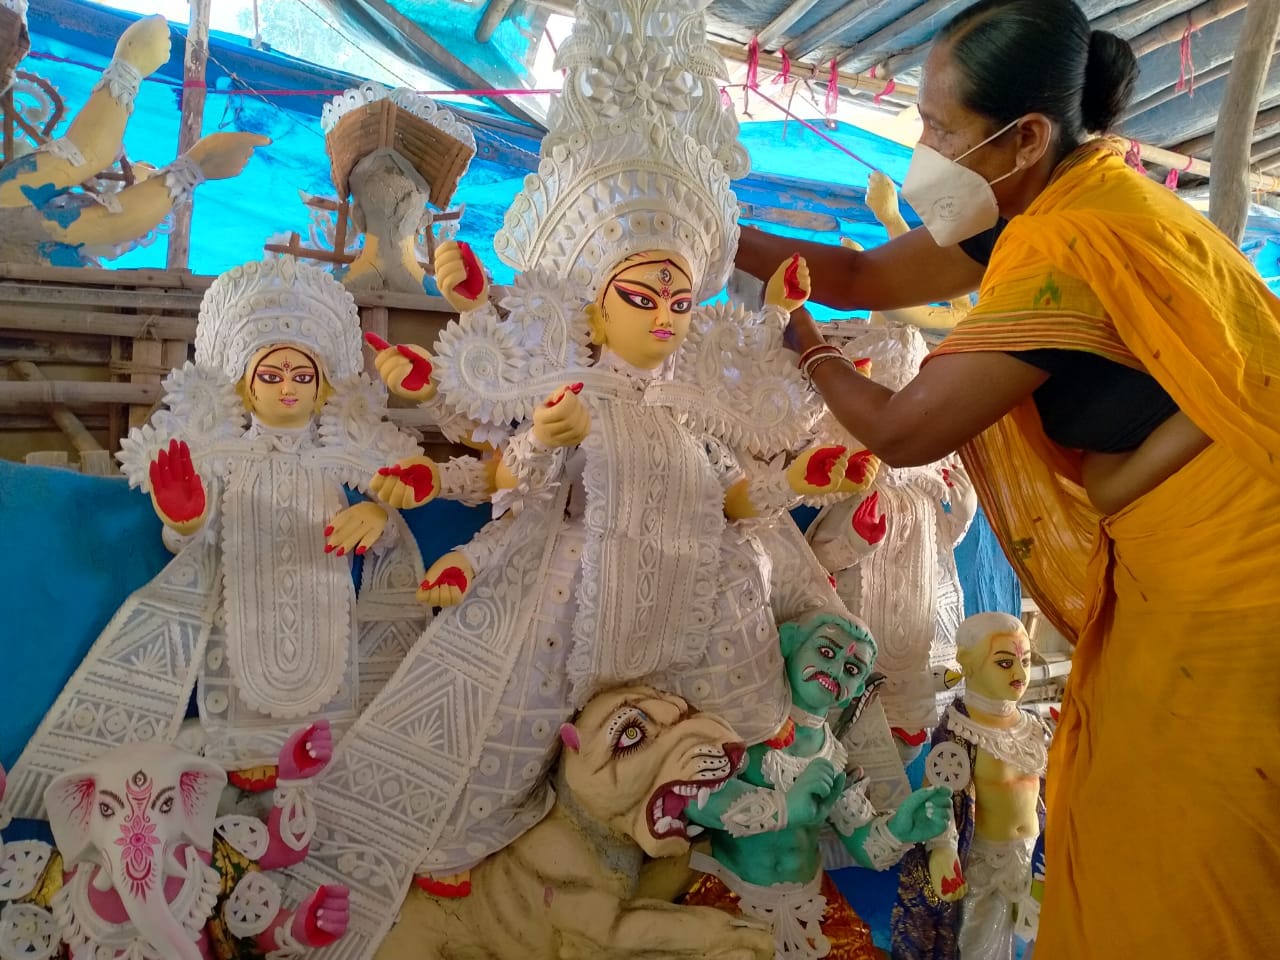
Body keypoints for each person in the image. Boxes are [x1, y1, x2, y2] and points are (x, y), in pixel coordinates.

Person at [734, 1, 1280, 956]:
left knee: (1184, 854)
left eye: (941, 127)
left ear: (1025, 137)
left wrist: (807, 346)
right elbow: (860, 277)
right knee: (1120, 815)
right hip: (1176, 563)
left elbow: (904, 430)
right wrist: (710, 231)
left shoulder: (1070, 241)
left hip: (1237, 587)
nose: (923, 150)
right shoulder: (1051, 203)